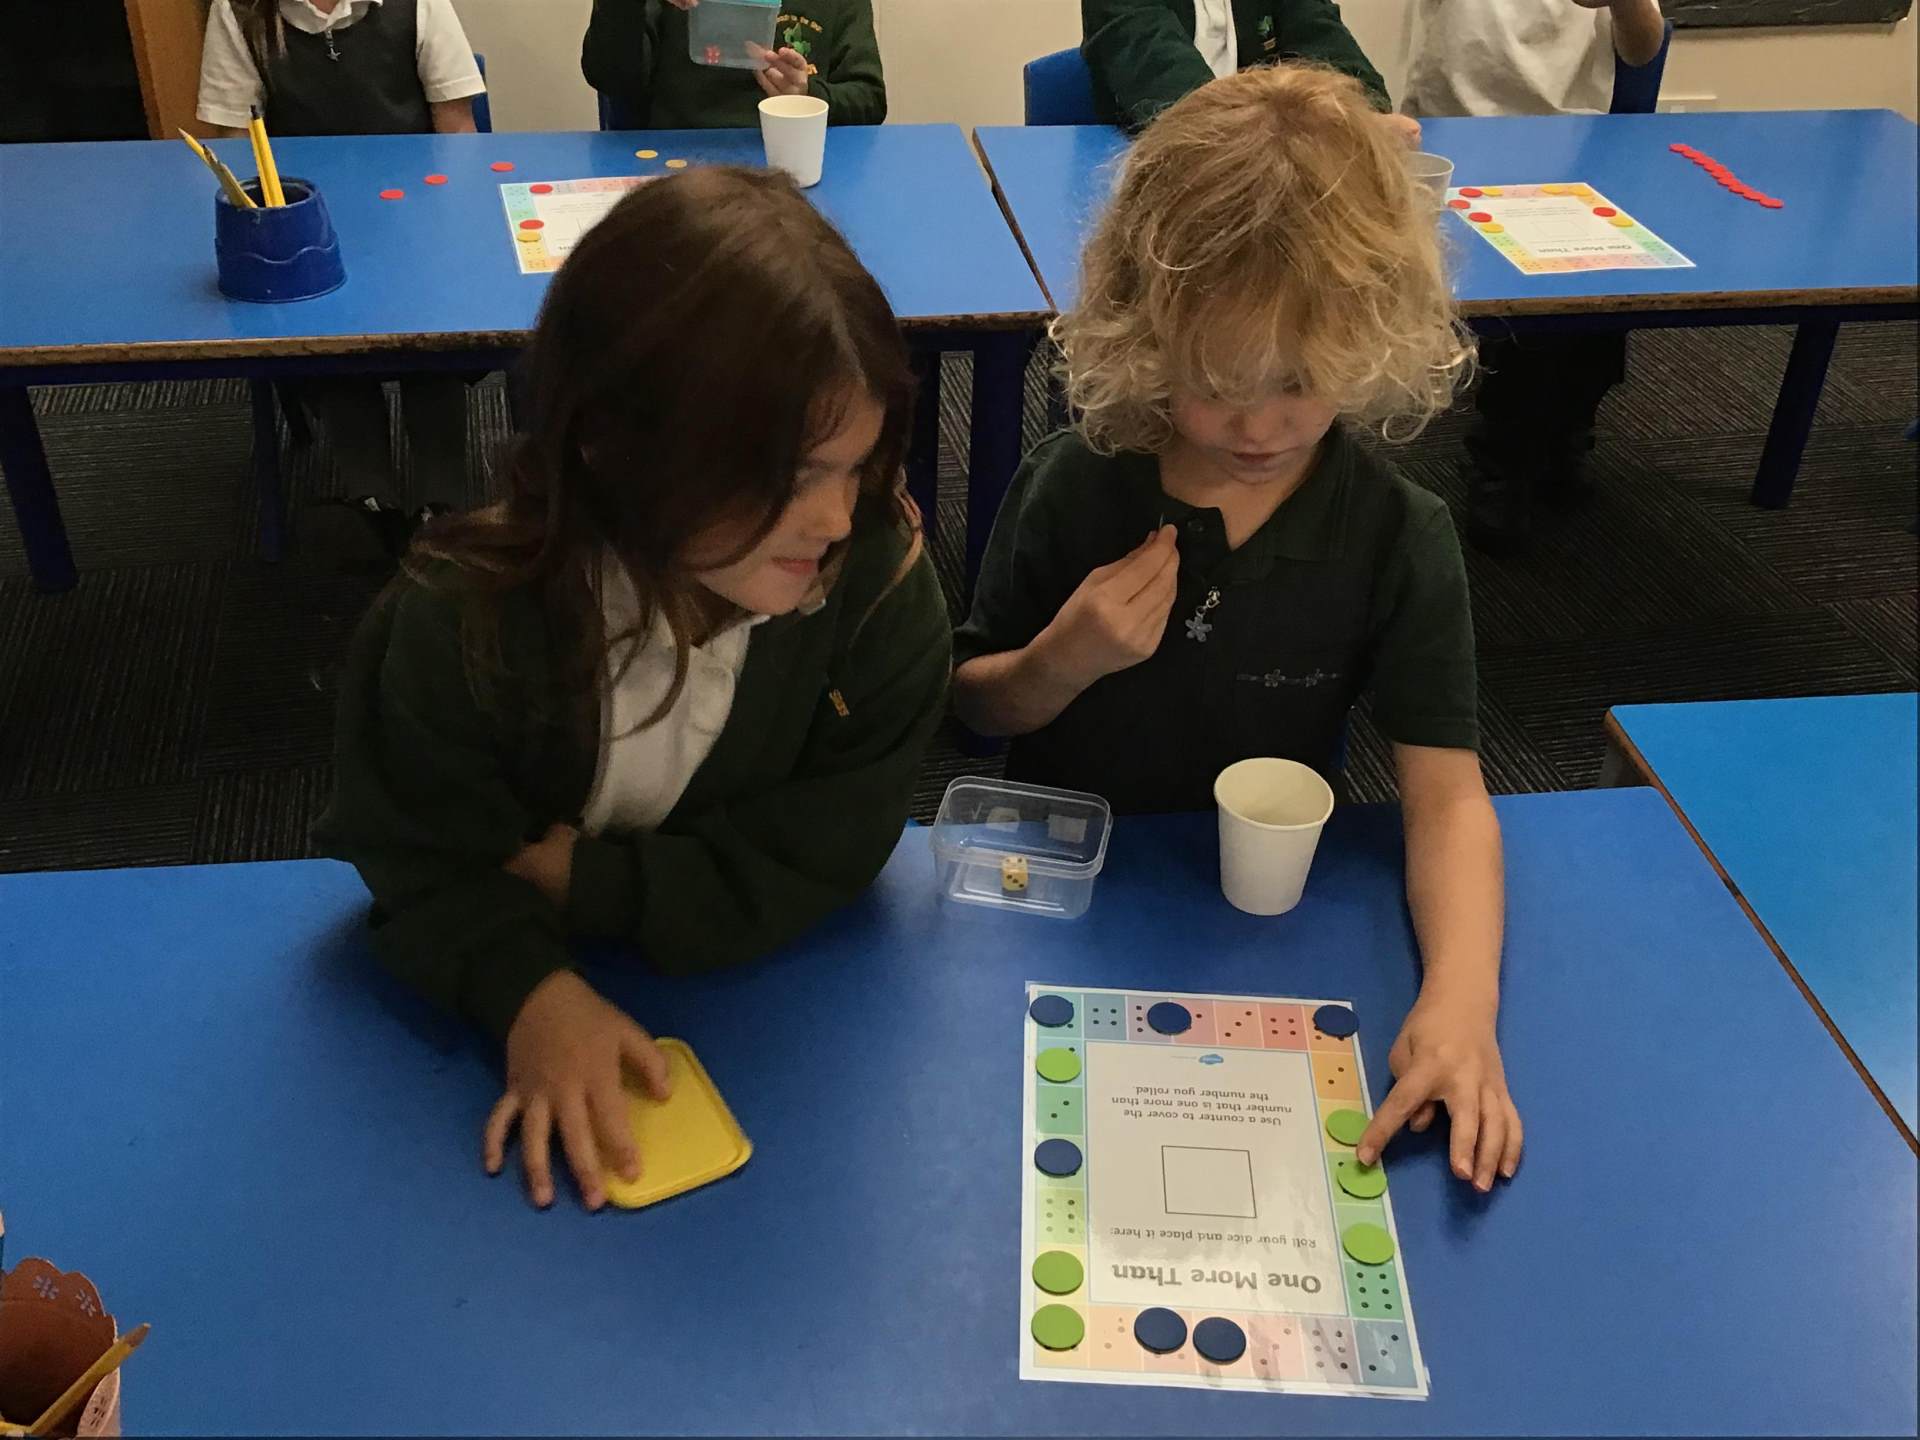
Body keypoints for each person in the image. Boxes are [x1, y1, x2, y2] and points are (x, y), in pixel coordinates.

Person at [315, 167, 951, 1210]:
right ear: (611, 442)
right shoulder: (463, 618)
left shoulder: (879, 598)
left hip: (789, 1029)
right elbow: (418, 855)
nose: (837, 519)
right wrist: (528, 993)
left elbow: (827, 850)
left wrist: (587, 881)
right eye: (789, 476)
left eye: (856, 465)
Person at [953, 65, 1522, 1191]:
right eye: (1217, 382)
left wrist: (1461, 1005)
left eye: (1300, 382)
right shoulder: (1077, 484)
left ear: (1371, 336)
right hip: (1058, 898)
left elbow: (1449, 798)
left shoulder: (1396, 535)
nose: (1259, 427)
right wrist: (1063, 661)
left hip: (1261, 920)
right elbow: (972, 709)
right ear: (1149, 336)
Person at [197, 0, 487, 563]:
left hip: (413, 219)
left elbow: (456, 127)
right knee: (328, 335)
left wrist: (458, 225)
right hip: (306, 221)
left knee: (432, 338)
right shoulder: (240, 13)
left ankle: (442, 504)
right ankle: (371, 501)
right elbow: (236, 145)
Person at [1398, 0, 1667, 550]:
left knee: (1600, 288)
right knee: (1524, 313)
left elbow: (1644, 47)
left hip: (1573, 138)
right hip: (1459, 129)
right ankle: (1504, 459)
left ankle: (1567, 430)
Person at [1081, 0, 1419, 142]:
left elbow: (1320, 33)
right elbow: (1157, 65)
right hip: (1153, 170)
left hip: (1268, 162)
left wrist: (1360, 118)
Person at [581, 0, 885, 129]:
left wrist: (807, 96)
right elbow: (612, 78)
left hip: (791, 165)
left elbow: (870, 99)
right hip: (680, 164)